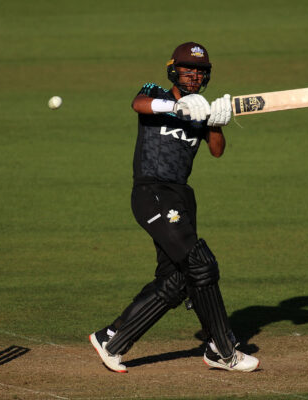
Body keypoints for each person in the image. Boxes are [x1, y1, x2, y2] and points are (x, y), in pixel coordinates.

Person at [90, 42, 259, 373]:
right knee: (201, 263)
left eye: (200, 71)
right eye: (187, 69)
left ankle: (112, 340)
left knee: (177, 280)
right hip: (152, 192)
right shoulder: (154, 93)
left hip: (180, 198)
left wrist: (215, 119)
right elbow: (138, 104)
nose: (194, 75)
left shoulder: (202, 110)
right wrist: (177, 107)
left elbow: (217, 151)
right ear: (173, 70)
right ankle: (223, 349)